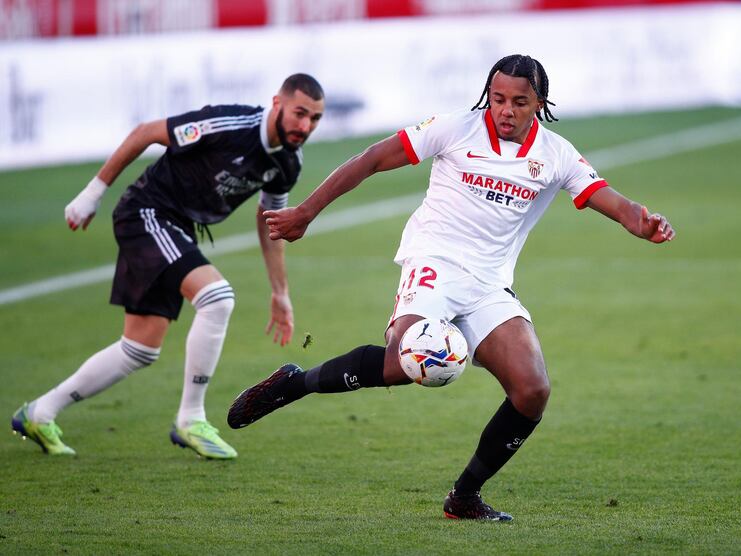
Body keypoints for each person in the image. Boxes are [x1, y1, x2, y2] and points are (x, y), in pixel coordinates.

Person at [227, 55, 675, 518]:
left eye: (519, 102)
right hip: (433, 264)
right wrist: (306, 212)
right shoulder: (455, 128)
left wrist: (640, 222)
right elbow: (372, 159)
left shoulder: (556, 154)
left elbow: (612, 199)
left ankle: (464, 497)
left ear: (538, 102)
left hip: (488, 283)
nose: (505, 110)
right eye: (498, 98)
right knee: (405, 362)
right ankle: (294, 384)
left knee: (532, 389)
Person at [11, 74, 326, 459]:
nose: (305, 126)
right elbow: (147, 132)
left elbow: (271, 222)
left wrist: (280, 292)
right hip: (147, 213)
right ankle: (190, 419)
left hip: (176, 229)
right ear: (277, 103)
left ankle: (39, 413)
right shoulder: (228, 124)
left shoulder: (287, 163)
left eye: (314, 119)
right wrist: (92, 194)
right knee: (217, 297)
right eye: (299, 114)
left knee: (139, 349)